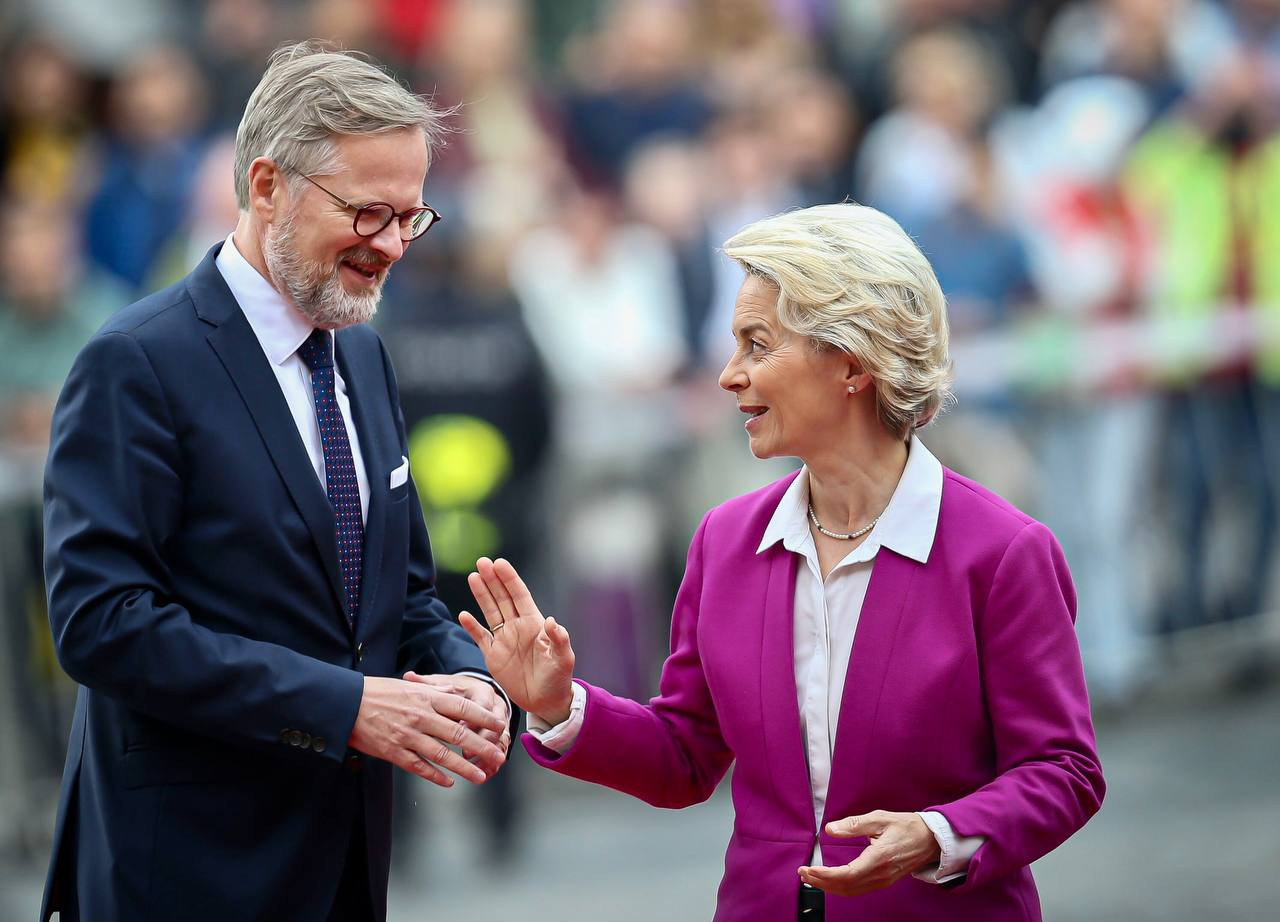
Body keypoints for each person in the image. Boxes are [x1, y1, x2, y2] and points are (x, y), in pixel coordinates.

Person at [461, 203, 1105, 920]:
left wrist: (938, 835)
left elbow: (1064, 771)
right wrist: (558, 704)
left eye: (757, 345)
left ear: (851, 362)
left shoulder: (1003, 552)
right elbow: (685, 755)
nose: (728, 375)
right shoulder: (725, 541)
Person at [40, 42, 510, 922]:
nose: (392, 246)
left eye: (411, 217)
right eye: (368, 213)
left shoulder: (364, 356)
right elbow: (103, 623)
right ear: (267, 187)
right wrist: (345, 708)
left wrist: (472, 680)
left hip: (344, 863)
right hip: (185, 871)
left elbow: (398, 601)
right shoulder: (137, 361)